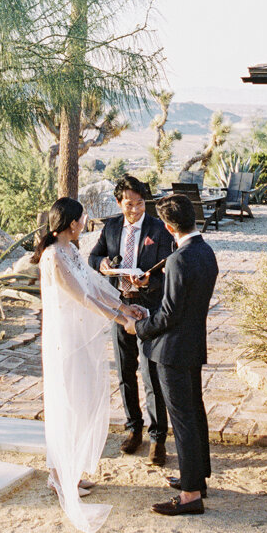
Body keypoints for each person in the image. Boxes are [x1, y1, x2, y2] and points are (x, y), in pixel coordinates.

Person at [34, 197, 145, 533]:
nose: (86, 222)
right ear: (71, 224)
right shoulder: (54, 256)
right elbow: (80, 296)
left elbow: (95, 285)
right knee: (67, 401)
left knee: (82, 401)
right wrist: (117, 317)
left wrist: (126, 307)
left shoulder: (71, 250)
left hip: (79, 338)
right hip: (65, 340)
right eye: (82, 218)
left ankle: (71, 472)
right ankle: (59, 477)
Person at [129, 193, 218, 516]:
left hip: (173, 351)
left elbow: (168, 314)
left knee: (182, 421)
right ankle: (197, 478)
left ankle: (191, 496)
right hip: (192, 345)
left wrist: (138, 328)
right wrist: (155, 284)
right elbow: (183, 297)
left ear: (168, 227)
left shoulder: (180, 258)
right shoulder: (205, 252)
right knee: (194, 414)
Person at [88, 175, 175, 465]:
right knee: (125, 372)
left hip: (148, 308)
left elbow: (166, 267)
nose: (135, 210)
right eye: (129, 204)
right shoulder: (111, 226)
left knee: (151, 373)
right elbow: (94, 256)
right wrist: (100, 264)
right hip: (118, 306)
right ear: (118, 203)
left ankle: (157, 437)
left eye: (140, 204)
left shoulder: (159, 228)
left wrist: (149, 280)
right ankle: (133, 429)